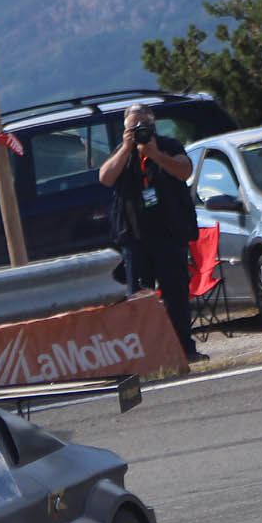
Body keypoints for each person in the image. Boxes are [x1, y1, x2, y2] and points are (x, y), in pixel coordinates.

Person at [98, 105, 204, 362]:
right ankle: (148, 354)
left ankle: (185, 350)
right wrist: (127, 148)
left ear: (154, 125)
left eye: (145, 125)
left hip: (170, 234)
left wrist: (155, 154)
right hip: (136, 238)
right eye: (134, 127)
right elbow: (105, 177)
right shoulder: (123, 152)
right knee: (139, 299)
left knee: (176, 296)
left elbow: (185, 171)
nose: (140, 131)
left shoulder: (168, 146)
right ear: (125, 130)